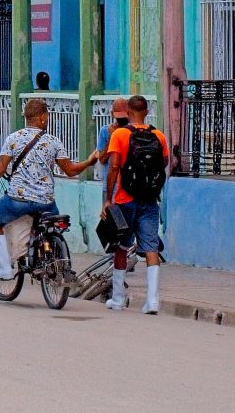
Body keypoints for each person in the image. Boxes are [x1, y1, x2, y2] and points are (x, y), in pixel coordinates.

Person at [0, 98, 94, 281]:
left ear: (26, 117)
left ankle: (5, 268)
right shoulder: (53, 142)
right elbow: (70, 170)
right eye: (47, 116)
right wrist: (90, 161)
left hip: (17, 202)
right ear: (43, 117)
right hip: (46, 202)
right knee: (54, 224)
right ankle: (56, 256)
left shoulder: (13, 138)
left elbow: (0, 170)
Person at [103, 93, 170, 313]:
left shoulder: (120, 135)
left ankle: (119, 299)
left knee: (121, 247)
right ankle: (152, 301)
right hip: (150, 200)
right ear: (147, 111)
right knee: (151, 248)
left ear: (129, 112)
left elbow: (113, 167)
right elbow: (164, 163)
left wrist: (107, 199)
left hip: (125, 199)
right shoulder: (158, 136)